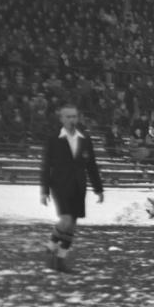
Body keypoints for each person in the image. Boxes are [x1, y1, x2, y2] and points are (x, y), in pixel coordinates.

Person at [39, 102, 104, 273]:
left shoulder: (85, 139)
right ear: (61, 118)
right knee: (66, 219)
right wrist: (45, 190)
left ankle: (60, 261)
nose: (71, 119)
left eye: (74, 116)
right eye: (68, 116)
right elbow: (46, 166)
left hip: (78, 185)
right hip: (59, 185)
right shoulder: (54, 139)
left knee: (72, 225)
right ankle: (50, 246)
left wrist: (98, 188)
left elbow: (91, 165)